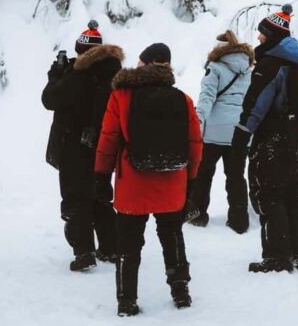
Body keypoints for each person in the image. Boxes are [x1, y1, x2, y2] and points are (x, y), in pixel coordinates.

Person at [95, 43, 202, 317]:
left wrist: (101, 175)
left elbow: (108, 139)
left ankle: (126, 300)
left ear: (142, 64)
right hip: (173, 180)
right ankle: (181, 293)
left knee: (128, 242)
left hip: (133, 182)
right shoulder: (183, 99)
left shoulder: (120, 96)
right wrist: (190, 180)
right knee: (172, 236)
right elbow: (194, 144)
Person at [231, 5, 298, 273]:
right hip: (297, 138)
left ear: (272, 36)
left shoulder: (270, 64)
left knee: (269, 195)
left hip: (273, 139)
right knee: (292, 194)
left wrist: (241, 136)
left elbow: (257, 104)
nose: (258, 39)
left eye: (262, 34)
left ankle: (277, 257)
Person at [42, 20, 123, 272]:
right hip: (103, 145)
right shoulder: (114, 74)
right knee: (100, 196)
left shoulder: (78, 76)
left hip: (75, 147)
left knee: (76, 198)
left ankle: (83, 251)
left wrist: (56, 75)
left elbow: (50, 99)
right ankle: (110, 247)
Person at [189, 30, 254, 233]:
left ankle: (198, 215)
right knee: (235, 175)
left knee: (204, 174)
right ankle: (239, 220)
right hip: (239, 132)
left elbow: (206, 100)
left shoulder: (215, 68)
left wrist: (197, 126)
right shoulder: (250, 72)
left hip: (214, 133)